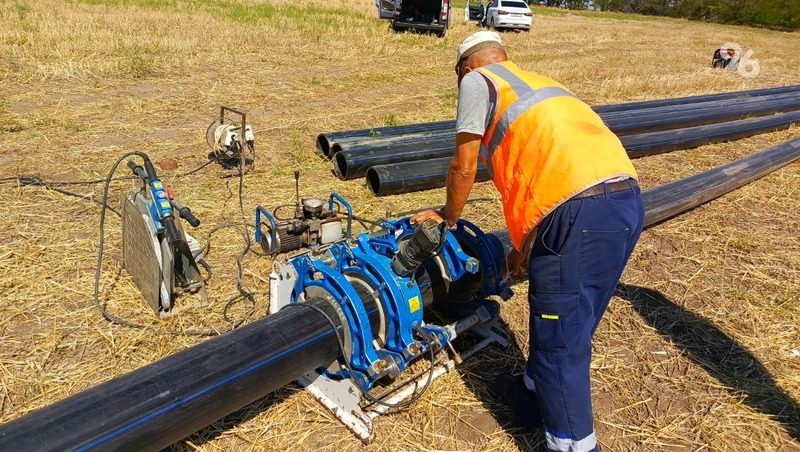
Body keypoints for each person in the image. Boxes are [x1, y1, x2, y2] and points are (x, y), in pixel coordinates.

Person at [411, 31, 644, 452]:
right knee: (572, 320)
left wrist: (447, 218)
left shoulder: (477, 81)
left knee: (559, 343)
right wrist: (524, 246)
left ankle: (573, 444)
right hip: (623, 202)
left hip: (577, 214)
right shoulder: (541, 83)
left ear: (466, 67)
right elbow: (555, 173)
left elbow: (463, 167)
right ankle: (532, 397)